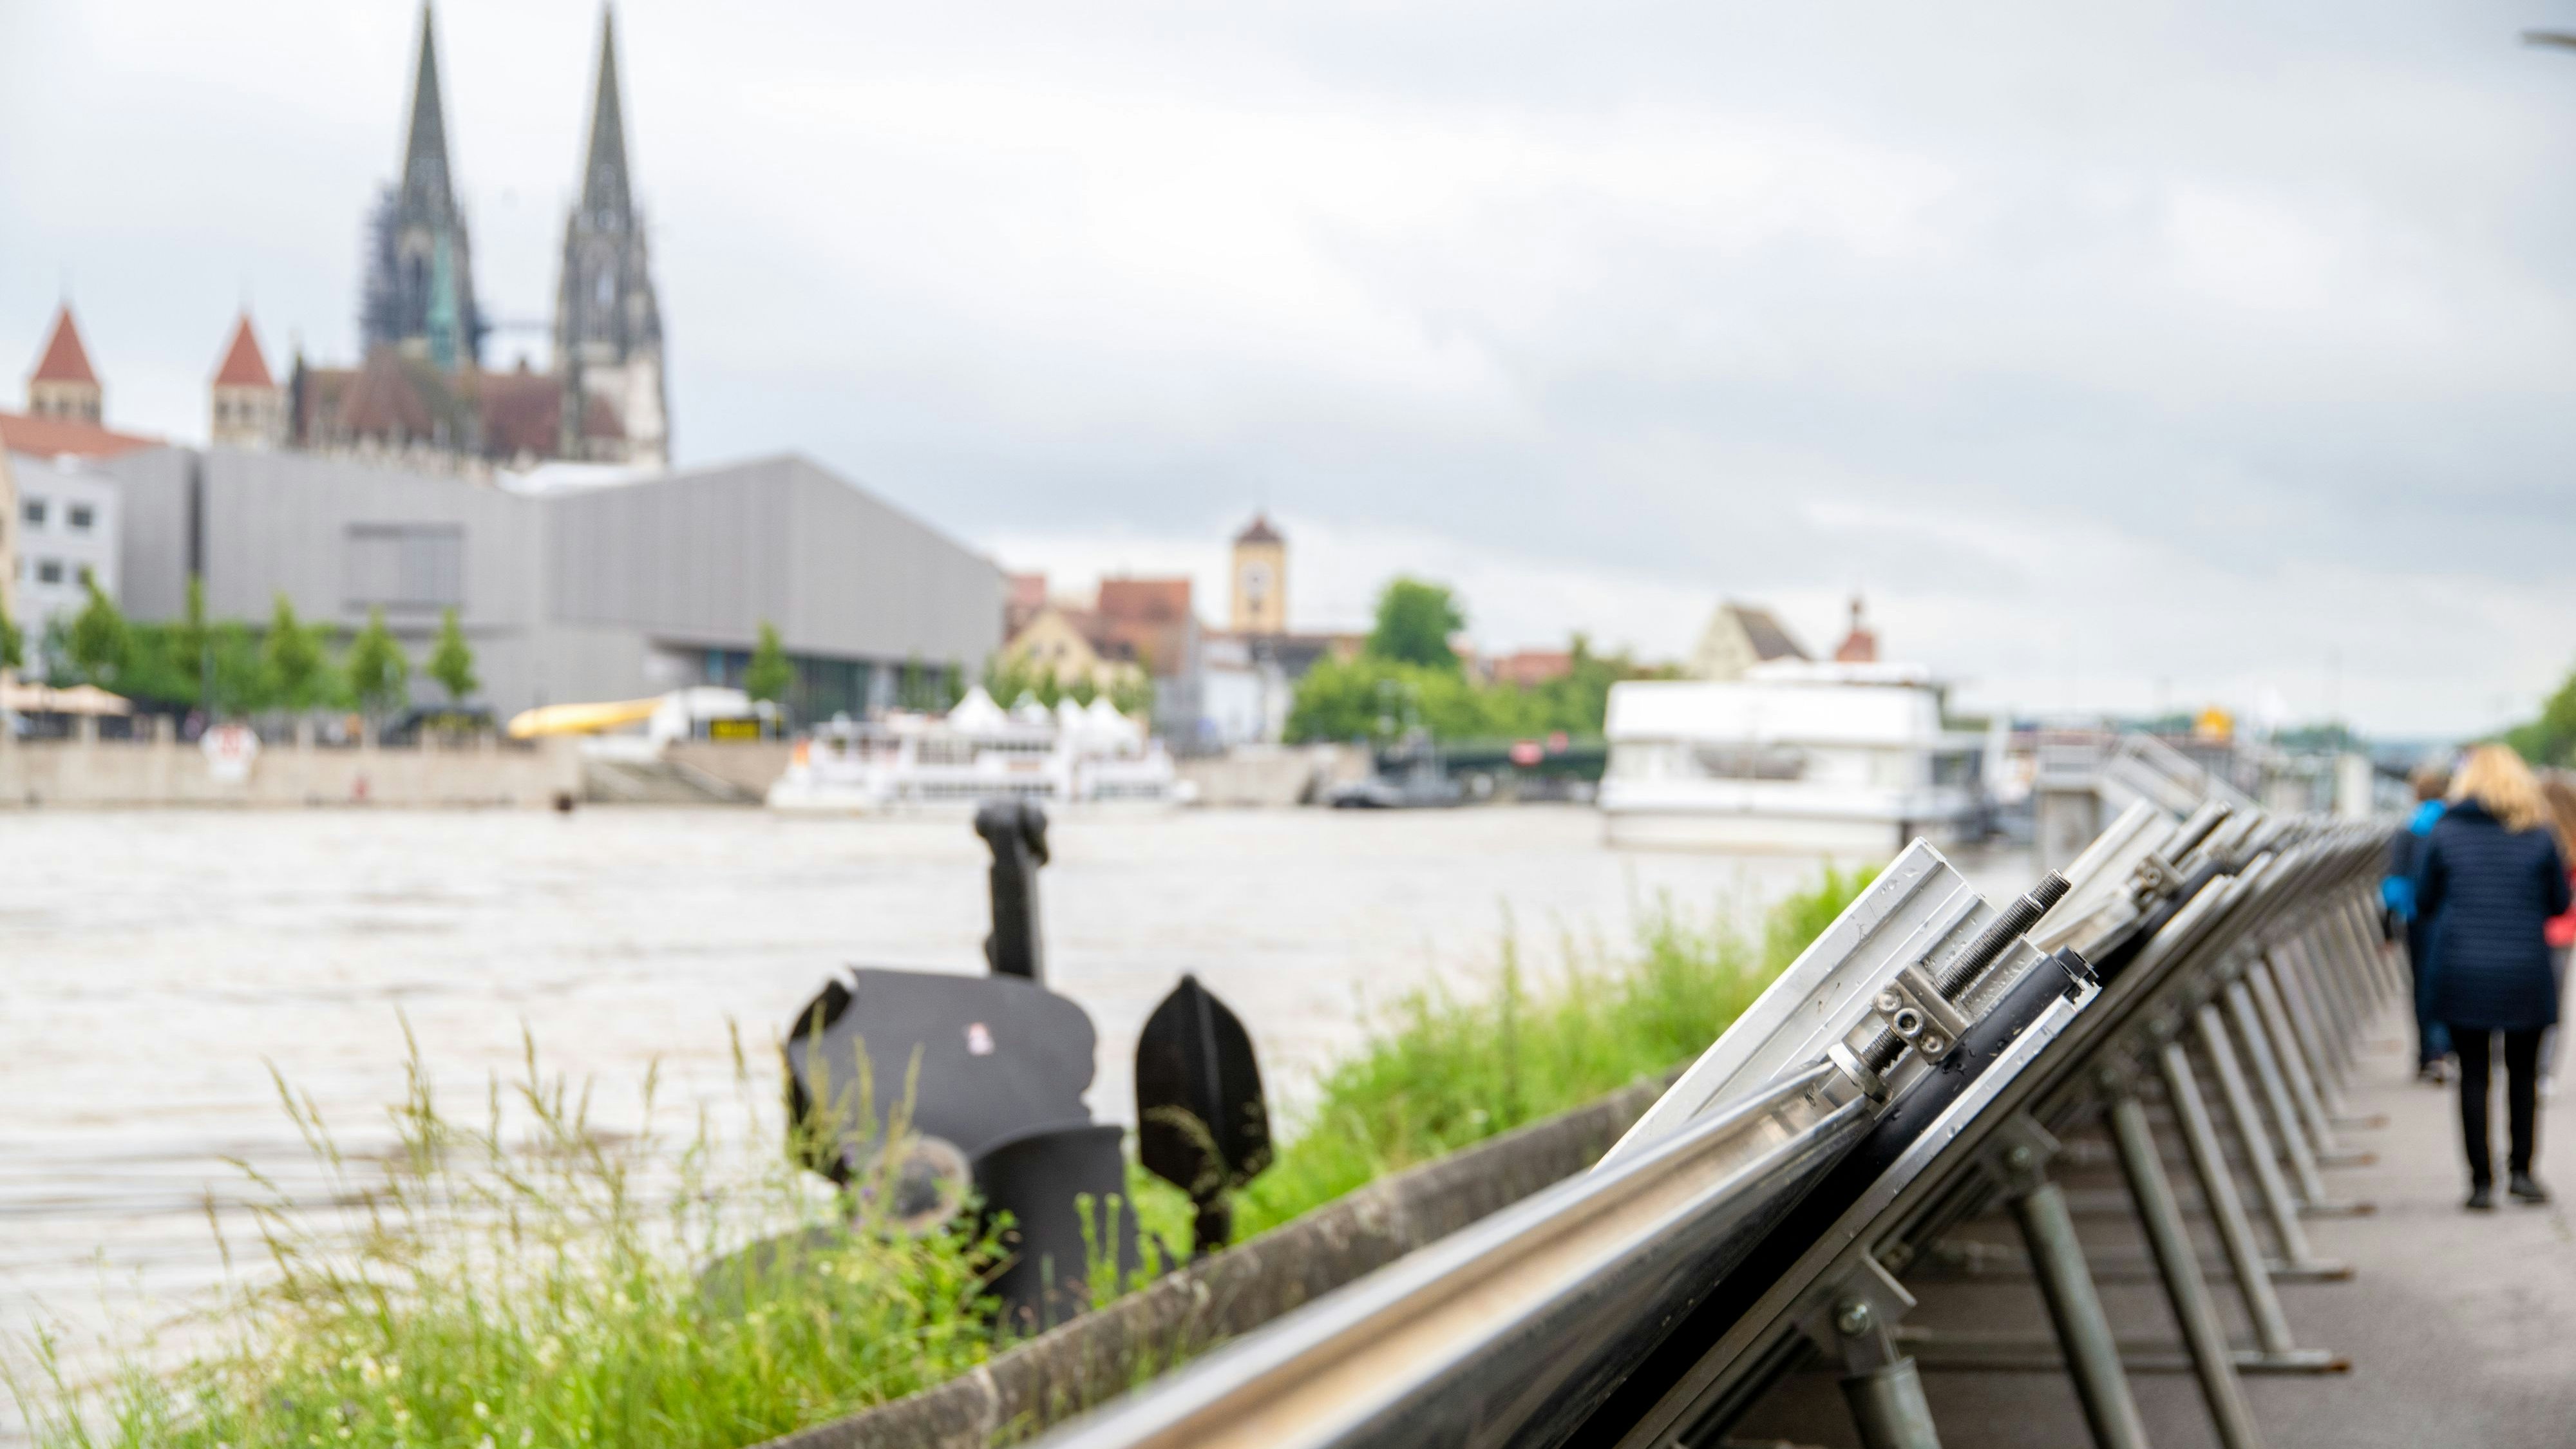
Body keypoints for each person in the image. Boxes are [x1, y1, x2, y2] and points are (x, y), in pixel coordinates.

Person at [2421, 745, 2573, 1210]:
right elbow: (2559, 903)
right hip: (2525, 968)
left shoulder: (2445, 832)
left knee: (2474, 1074)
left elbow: (2425, 900)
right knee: (2523, 1073)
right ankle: (2523, 1173)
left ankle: (2481, 1183)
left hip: (2464, 968)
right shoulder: (2540, 834)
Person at [2385, 764, 2452, 1082]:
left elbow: (2394, 885)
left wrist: (2386, 928)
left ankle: (2429, 1053)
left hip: (2419, 918)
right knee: (2452, 982)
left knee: (2423, 984)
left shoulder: (2409, 830)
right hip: (2454, 917)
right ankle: (2449, 1048)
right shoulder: (2454, 826)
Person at [2538, 774, 2576, 1095]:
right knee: (2554, 1002)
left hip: (2529, 928)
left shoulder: (2533, 836)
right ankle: (2546, 1071)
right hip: (2563, 931)